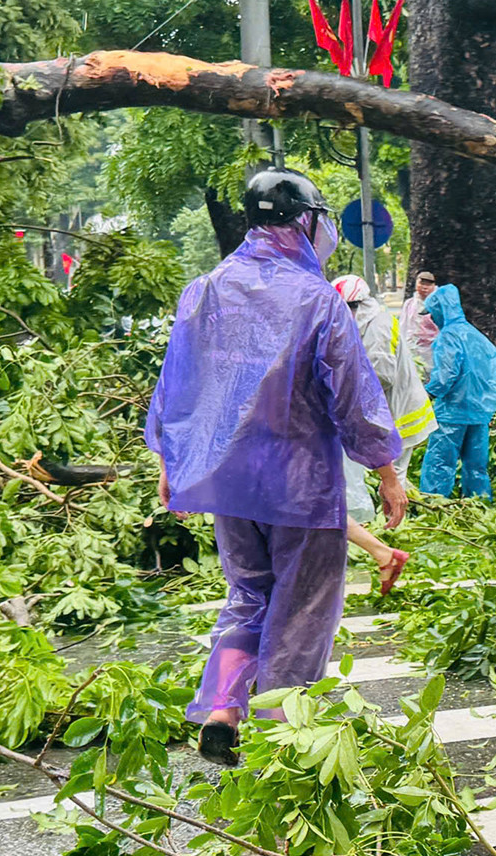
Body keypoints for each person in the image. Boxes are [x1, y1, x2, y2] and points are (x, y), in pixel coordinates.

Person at [145, 168, 406, 767]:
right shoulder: (317, 299)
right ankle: (276, 734)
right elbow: (353, 395)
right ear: (307, 223)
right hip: (300, 482)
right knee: (302, 611)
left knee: (247, 596)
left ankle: (222, 708)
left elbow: (178, 385)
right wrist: (387, 471)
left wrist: (170, 460)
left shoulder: (205, 290)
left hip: (228, 479)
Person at [335, 273, 436, 592]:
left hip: (398, 416)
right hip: (378, 418)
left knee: (393, 481)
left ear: (359, 305)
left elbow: (380, 375)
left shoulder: (378, 325)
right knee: (381, 482)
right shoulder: (359, 324)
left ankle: (389, 537)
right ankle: (380, 542)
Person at [419, 284, 496, 500]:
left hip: (453, 411)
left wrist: (428, 394)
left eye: (432, 313)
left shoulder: (448, 336)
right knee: (476, 466)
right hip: (479, 412)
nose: (431, 318)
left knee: (440, 463)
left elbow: (446, 375)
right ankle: (479, 505)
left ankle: (434, 506)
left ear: (440, 311)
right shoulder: (477, 336)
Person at [398, 270, 440, 378]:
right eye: (422, 283)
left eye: (428, 284)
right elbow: (403, 326)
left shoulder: (439, 304)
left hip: (433, 351)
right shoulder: (409, 304)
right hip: (413, 349)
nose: (424, 287)